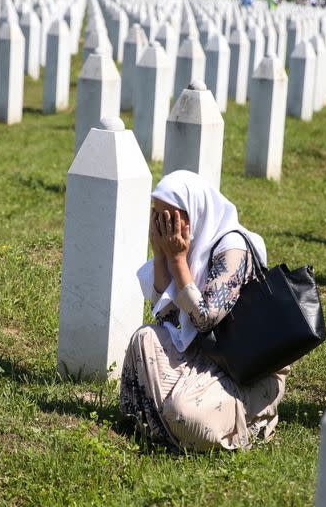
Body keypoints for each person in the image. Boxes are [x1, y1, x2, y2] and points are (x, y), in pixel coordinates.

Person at [120, 171, 289, 452]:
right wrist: (161, 254)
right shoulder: (190, 247)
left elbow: (204, 318)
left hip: (242, 367)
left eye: (171, 219)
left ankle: (254, 416)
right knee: (145, 338)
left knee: (184, 411)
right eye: (159, 219)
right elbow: (167, 318)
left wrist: (177, 259)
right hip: (204, 352)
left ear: (194, 212)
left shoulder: (232, 249)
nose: (167, 229)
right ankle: (160, 425)